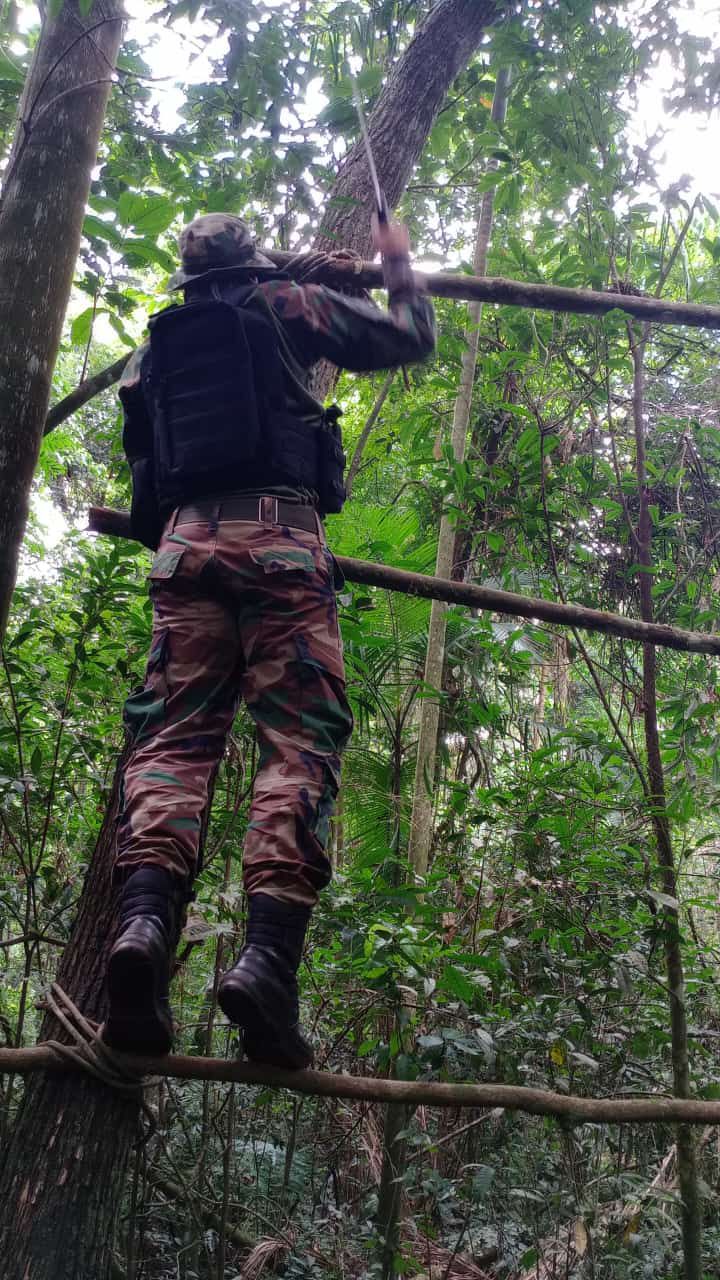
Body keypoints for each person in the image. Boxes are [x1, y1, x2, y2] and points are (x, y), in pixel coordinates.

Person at [104, 211, 436, 1068]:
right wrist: (398, 268)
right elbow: (408, 338)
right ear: (253, 261)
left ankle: (141, 927)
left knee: (172, 742)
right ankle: (265, 966)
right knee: (298, 742)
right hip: (281, 542)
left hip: (183, 553)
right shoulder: (284, 301)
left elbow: (145, 484)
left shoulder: (155, 350)